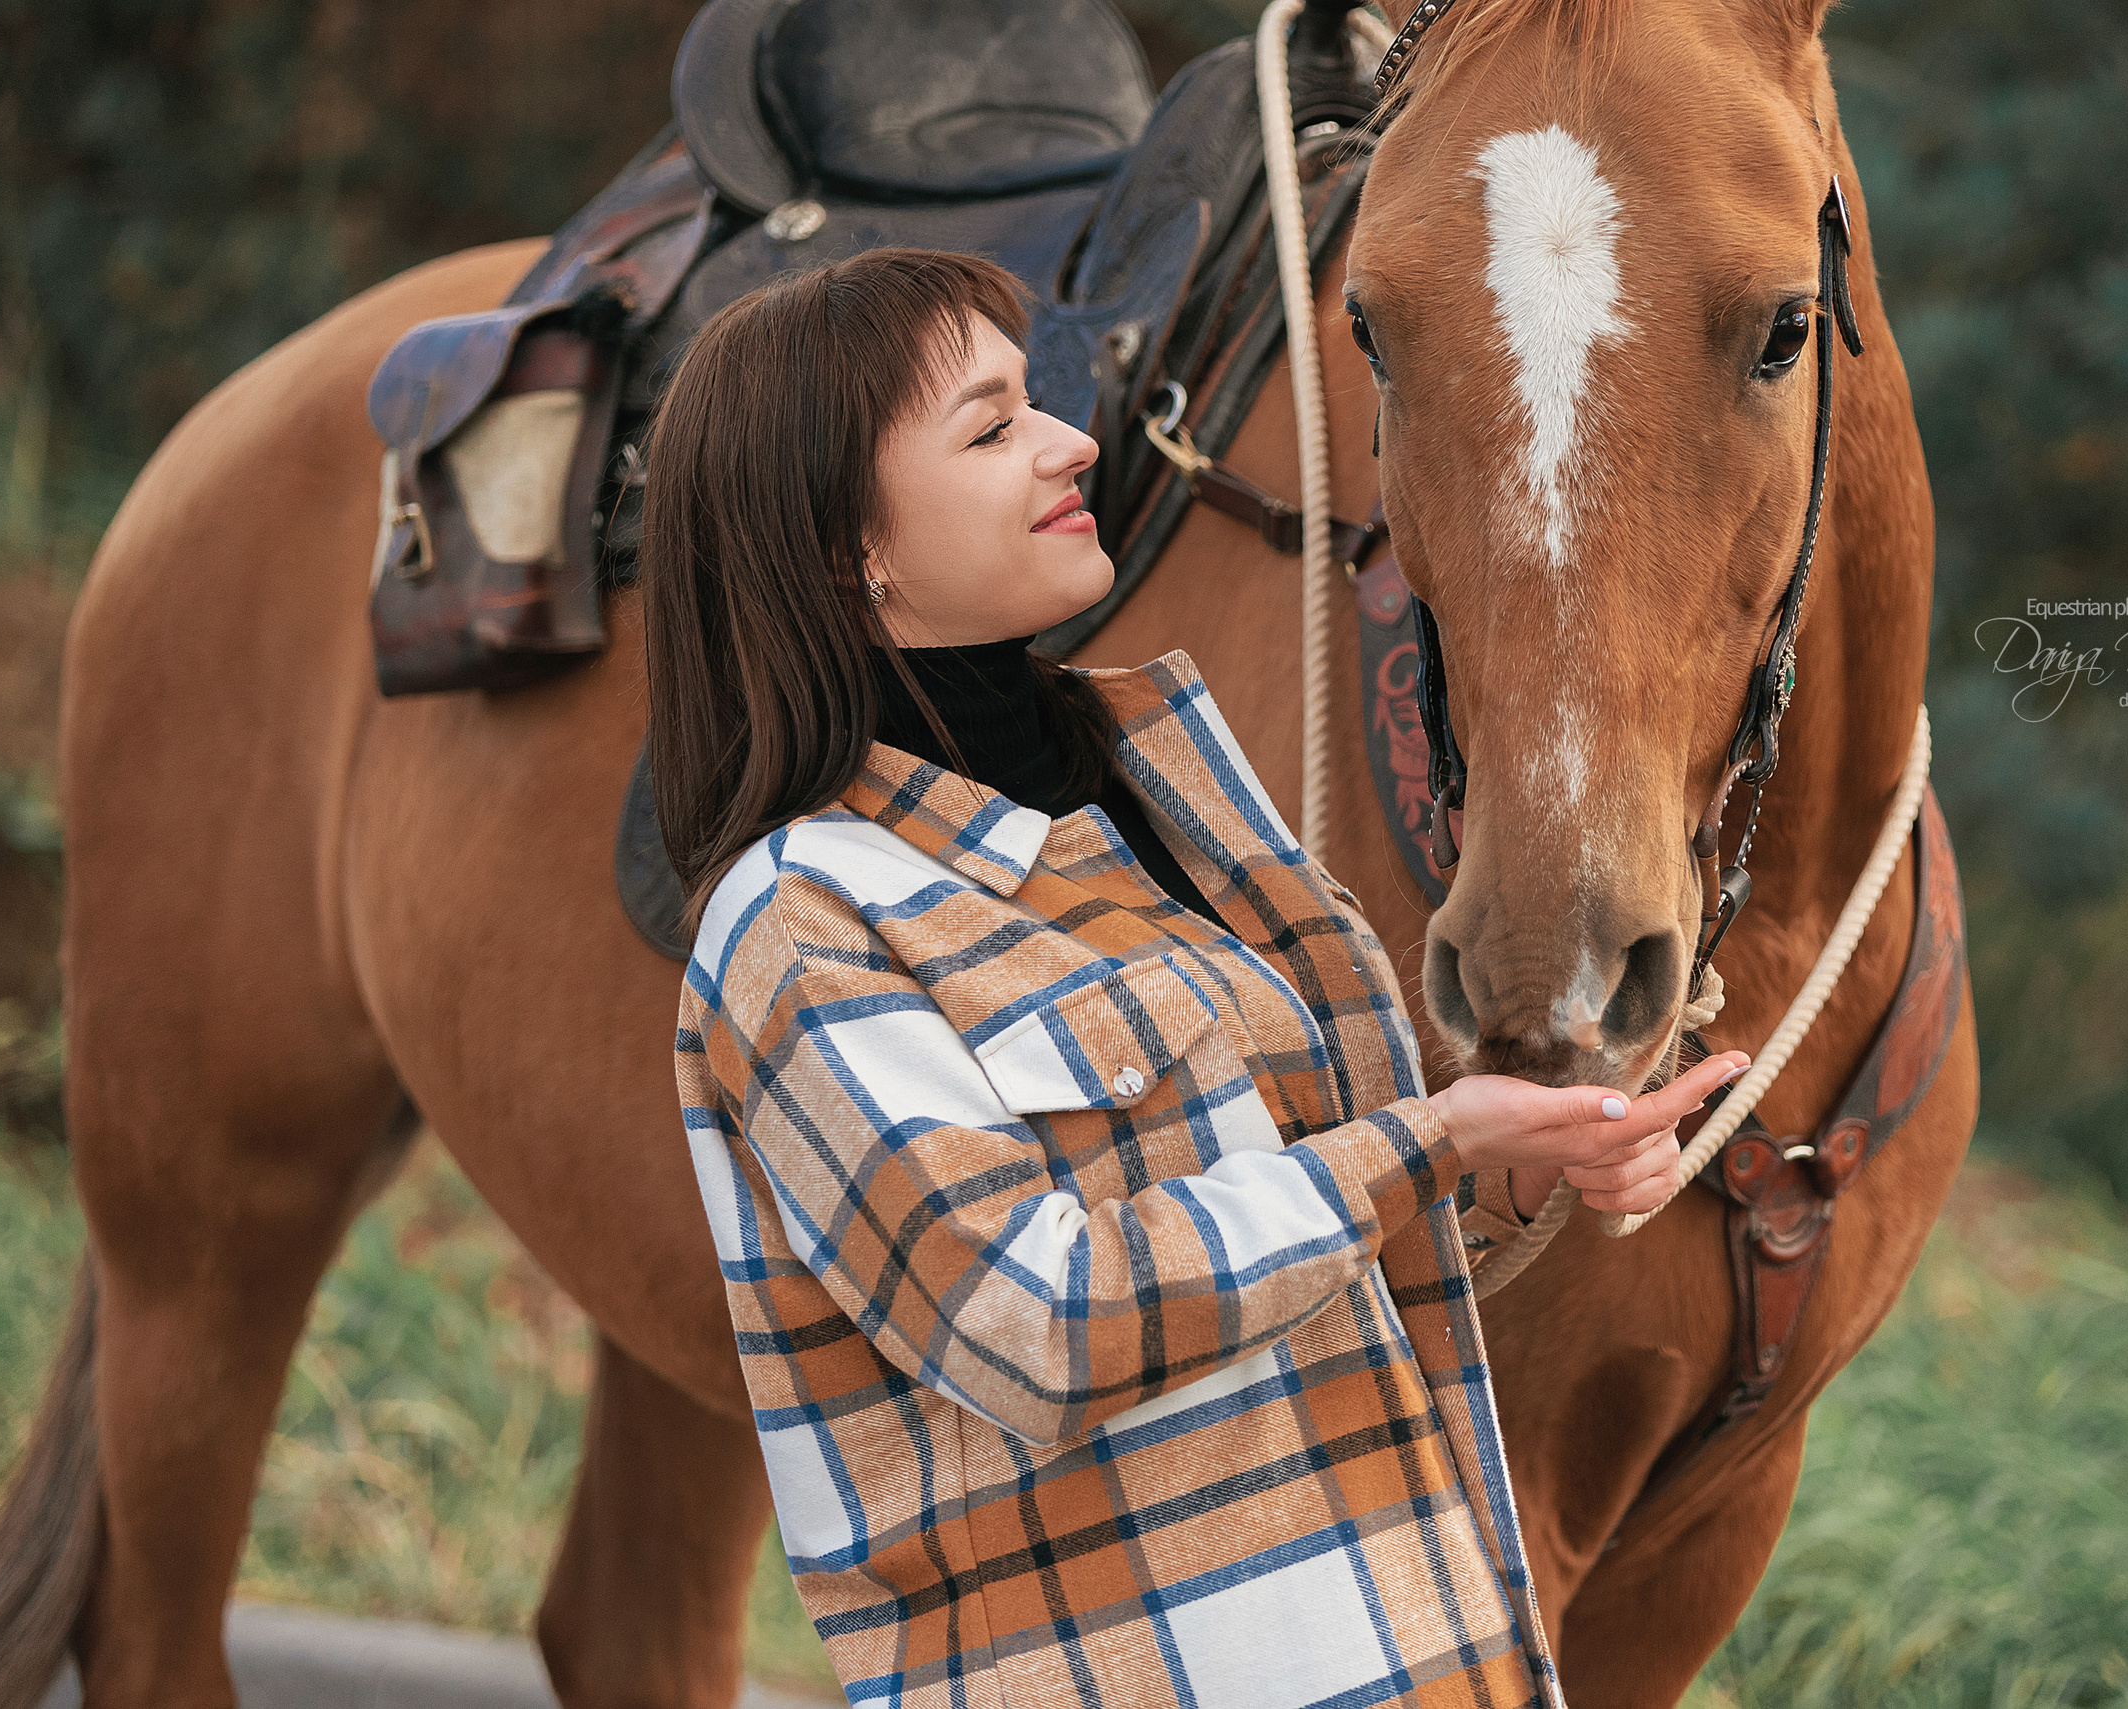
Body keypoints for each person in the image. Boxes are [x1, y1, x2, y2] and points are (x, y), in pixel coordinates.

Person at [643, 247, 1751, 1709]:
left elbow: (1282, 1238)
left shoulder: (1165, 803)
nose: (1072, 437)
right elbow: (1037, 1321)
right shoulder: (802, 923)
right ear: (857, 550)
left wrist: (1511, 1168)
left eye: (1034, 401)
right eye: (990, 429)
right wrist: (1436, 1137)